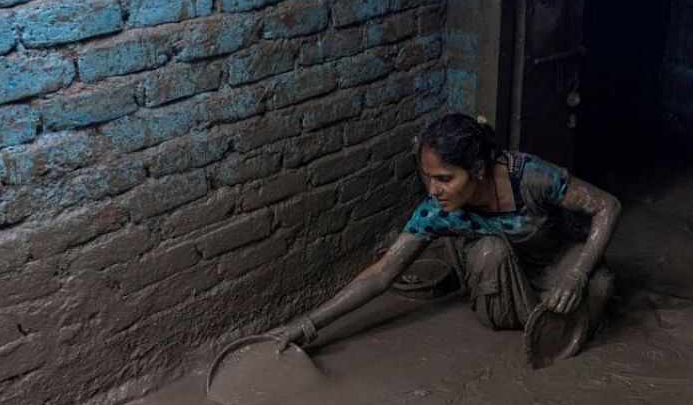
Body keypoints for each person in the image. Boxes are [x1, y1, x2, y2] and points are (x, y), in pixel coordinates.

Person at [266, 112, 621, 354]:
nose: (434, 189)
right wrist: (307, 324)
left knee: (600, 281)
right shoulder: (436, 212)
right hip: (502, 276)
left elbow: (608, 206)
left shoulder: (530, 177)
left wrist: (576, 274)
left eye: (445, 178)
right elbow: (380, 274)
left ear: (478, 171)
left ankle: (551, 319)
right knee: (490, 251)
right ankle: (547, 323)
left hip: (552, 262)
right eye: (429, 177)